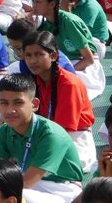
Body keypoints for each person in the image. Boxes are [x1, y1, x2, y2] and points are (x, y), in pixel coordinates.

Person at [0, 73, 84, 203]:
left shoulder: (51, 134)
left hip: (64, 193)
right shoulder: (4, 131)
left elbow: (28, 182)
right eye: (4, 103)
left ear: (34, 104)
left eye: (18, 103)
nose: (10, 110)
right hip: (30, 186)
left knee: (16, 198)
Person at [21, 30, 97, 172]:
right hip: (46, 133)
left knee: (56, 166)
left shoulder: (69, 84)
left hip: (73, 137)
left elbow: (63, 130)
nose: (32, 61)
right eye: (28, 55)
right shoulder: (35, 79)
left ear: (54, 56)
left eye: (39, 54)